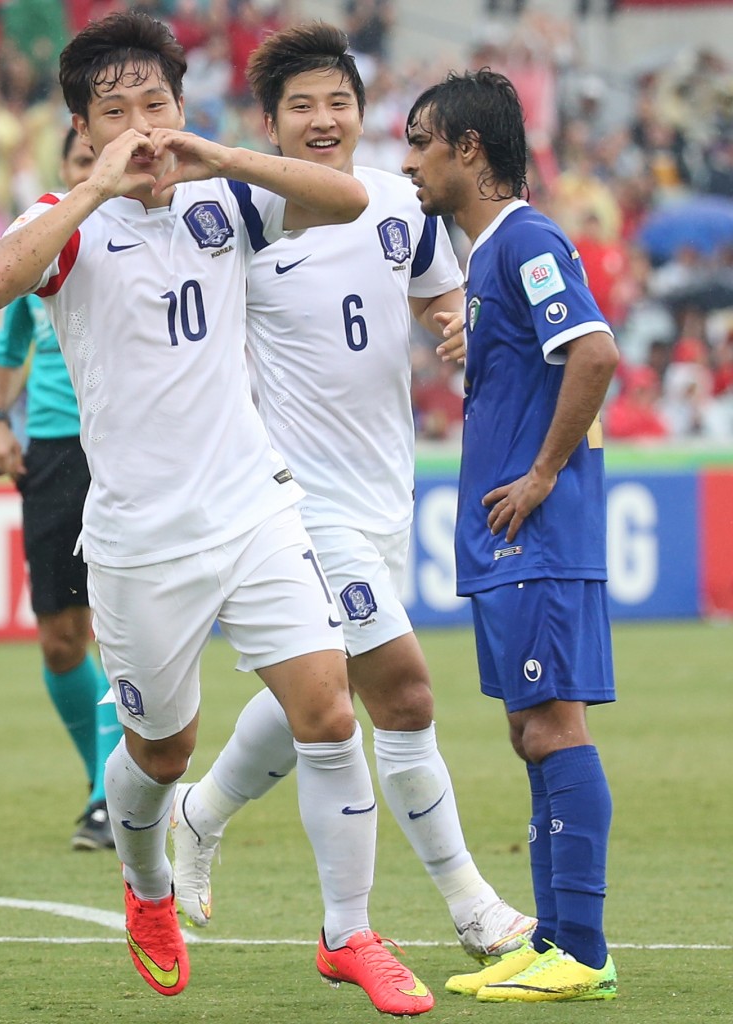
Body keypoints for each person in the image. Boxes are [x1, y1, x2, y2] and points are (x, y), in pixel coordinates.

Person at [0, 12, 433, 1016]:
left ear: (181, 107)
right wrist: (94, 185)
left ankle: (348, 931)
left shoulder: (228, 196)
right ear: (84, 129)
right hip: (139, 540)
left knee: (326, 710)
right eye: (116, 110)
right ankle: (148, 890)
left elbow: (350, 197)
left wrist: (223, 153)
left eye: (156, 103)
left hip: (254, 508)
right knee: (161, 753)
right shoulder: (68, 218)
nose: (141, 124)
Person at [170, 21, 536, 964]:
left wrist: (455, 324)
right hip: (297, 499)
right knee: (405, 695)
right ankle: (473, 908)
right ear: (269, 122)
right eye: (302, 106)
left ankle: (201, 812)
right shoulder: (244, 219)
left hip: (383, 495)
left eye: (338, 102)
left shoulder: (397, 205)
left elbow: (436, 299)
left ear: (362, 114)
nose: (323, 119)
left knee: (320, 692)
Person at [402, 69, 620, 1003]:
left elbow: (595, 352)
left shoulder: (527, 238)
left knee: (553, 726)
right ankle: (556, 938)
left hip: (536, 529)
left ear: (469, 150)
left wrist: (538, 476)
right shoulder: (492, 255)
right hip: (506, 537)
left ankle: (584, 952)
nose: (408, 162)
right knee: (530, 731)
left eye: (421, 143)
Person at [0, 127, 123, 851]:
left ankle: (111, 796)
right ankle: (105, 781)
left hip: (130, 447)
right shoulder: (40, 249)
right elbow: (10, 349)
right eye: (80, 161)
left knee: (120, 630)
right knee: (62, 638)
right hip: (58, 449)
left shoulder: (149, 246)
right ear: (66, 172)